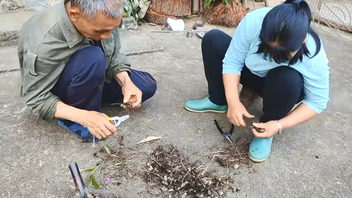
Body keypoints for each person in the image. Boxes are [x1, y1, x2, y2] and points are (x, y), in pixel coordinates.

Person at [185, 0, 329, 162]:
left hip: (280, 87)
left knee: (288, 78)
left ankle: (266, 128)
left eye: (281, 53)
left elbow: (317, 101)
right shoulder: (254, 20)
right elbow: (233, 61)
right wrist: (233, 102)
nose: (272, 57)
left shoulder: (314, 55)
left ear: (303, 40)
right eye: (268, 47)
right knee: (213, 39)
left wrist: (278, 125)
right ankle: (218, 100)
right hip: (252, 72)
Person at [18, 0, 157, 142]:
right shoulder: (44, 40)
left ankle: (91, 93)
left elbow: (113, 54)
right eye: (101, 31)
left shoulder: (104, 18)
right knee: (93, 57)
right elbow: (35, 98)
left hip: (91, 71)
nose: (108, 35)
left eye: (113, 28)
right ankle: (73, 118)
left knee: (146, 87)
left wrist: (126, 83)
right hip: (61, 84)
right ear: (74, 15)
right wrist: (86, 117)